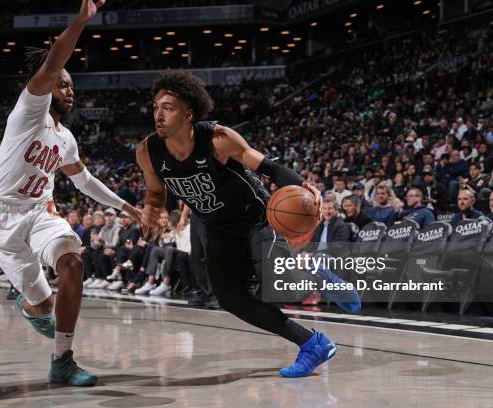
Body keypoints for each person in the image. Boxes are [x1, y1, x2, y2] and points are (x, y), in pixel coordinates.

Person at [136, 69, 359, 379]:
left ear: (188, 114)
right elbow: (155, 191)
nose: (158, 114)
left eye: (168, 107)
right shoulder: (147, 151)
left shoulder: (218, 138)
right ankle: (313, 343)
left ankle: (318, 275)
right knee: (230, 298)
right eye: (156, 106)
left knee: (283, 288)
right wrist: (150, 209)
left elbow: (268, 167)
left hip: (253, 218)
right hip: (216, 227)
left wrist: (304, 185)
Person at [0, 0, 140, 387]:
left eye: (72, 86)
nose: (71, 91)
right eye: (64, 84)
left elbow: (83, 181)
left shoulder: (65, 139)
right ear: (48, 85)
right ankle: (32, 306)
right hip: (0, 218)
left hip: (38, 213)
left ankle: (63, 361)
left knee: (73, 264)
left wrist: (123, 205)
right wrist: (81, 22)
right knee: (45, 307)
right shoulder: (26, 112)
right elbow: (52, 64)